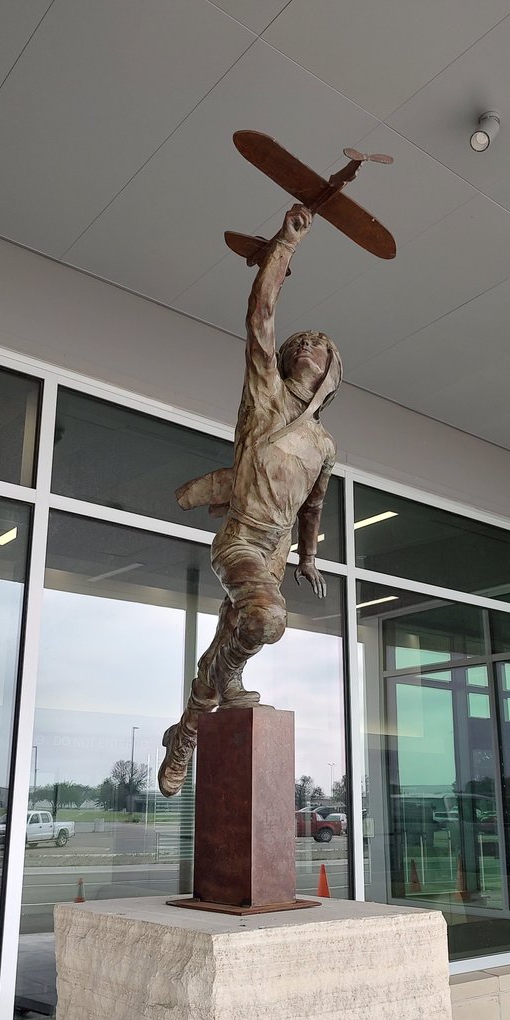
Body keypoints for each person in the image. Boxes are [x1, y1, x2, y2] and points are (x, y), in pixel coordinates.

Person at [158, 203, 342, 797]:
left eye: (320, 346)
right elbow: (260, 315)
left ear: (331, 372)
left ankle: (186, 732)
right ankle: (227, 681)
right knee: (265, 619)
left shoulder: (324, 444)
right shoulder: (265, 395)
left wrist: (308, 558)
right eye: (303, 342)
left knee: (230, 633)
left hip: (277, 551)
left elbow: (312, 506)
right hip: (240, 539)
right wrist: (284, 246)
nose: (309, 346)